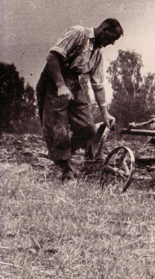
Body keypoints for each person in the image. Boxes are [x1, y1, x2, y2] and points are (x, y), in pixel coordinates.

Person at [36, 18, 123, 182]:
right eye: (112, 38)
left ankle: (64, 154)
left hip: (74, 82)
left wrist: (105, 114)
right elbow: (52, 57)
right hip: (54, 79)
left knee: (88, 128)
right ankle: (66, 170)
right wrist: (61, 85)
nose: (111, 43)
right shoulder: (79, 33)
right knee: (58, 130)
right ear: (104, 29)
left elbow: (97, 85)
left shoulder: (96, 53)